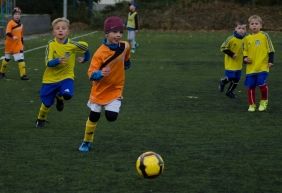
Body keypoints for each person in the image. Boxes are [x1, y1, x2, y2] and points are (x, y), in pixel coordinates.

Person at [78, 16, 131, 152]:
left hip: (116, 88)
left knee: (111, 117)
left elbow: (126, 56)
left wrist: (126, 63)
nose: (118, 35)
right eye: (114, 32)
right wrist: (100, 73)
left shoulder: (125, 46)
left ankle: (114, 103)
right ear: (106, 33)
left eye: (120, 32)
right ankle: (86, 141)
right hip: (99, 90)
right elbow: (90, 74)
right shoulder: (99, 53)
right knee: (94, 116)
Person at [35, 17, 90, 128]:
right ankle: (41, 118)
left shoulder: (73, 44)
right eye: (57, 28)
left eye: (63, 28)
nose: (60, 30)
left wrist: (84, 59)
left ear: (68, 31)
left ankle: (60, 96)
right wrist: (58, 60)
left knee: (68, 94)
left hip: (66, 77)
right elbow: (48, 62)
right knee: (47, 103)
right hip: (50, 78)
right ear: (53, 32)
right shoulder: (51, 45)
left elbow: (86, 49)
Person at [243, 15, 275, 112]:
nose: (254, 26)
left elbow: (271, 50)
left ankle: (264, 101)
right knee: (251, 86)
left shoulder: (264, 36)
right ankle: (251, 105)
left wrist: (270, 61)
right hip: (251, 68)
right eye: (252, 24)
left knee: (261, 83)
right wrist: (245, 59)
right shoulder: (247, 38)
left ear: (261, 25)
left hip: (262, 66)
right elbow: (245, 51)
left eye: (256, 24)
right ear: (249, 26)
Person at [219, 21, 247, 98]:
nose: (241, 30)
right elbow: (223, 48)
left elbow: (246, 50)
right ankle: (223, 81)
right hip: (230, 63)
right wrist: (232, 54)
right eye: (239, 28)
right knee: (231, 77)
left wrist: (245, 58)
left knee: (237, 79)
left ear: (246, 30)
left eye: (243, 28)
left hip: (239, 64)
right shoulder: (231, 38)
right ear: (235, 29)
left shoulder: (246, 39)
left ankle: (229, 92)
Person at [0, 7, 29, 80]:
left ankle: (23, 75)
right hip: (9, 45)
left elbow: (21, 36)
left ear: (20, 15)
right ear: (13, 15)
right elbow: (8, 33)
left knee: (21, 59)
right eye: (15, 14)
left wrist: (22, 44)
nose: (17, 16)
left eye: (18, 14)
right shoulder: (10, 23)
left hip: (18, 45)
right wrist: (13, 37)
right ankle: (1, 73)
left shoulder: (21, 25)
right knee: (7, 59)